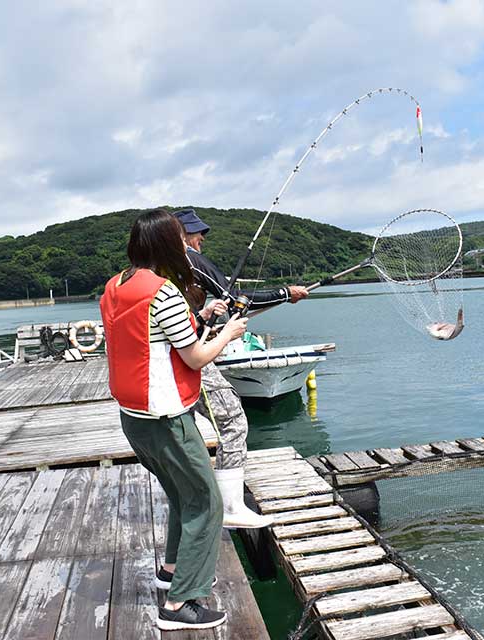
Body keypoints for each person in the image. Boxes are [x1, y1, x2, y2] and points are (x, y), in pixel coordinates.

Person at [99, 209, 247, 631]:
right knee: (207, 502)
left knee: (182, 497)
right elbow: (196, 356)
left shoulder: (115, 286)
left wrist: (201, 319)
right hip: (167, 419)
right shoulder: (164, 292)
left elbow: (151, 337)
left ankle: (171, 571)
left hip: (134, 419)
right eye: (179, 238)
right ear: (167, 244)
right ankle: (180, 605)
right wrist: (227, 333)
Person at [173, 208, 308, 529]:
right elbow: (235, 299)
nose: (201, 237)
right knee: (233, 421)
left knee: (186, 428)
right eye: (195, 232)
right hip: (189, 358)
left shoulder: (157, 268)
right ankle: (230, 507)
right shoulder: (190, 260)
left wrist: (204, 317)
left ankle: (193, 496)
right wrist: (285, 293)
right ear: (179, 236)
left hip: (172, 354)